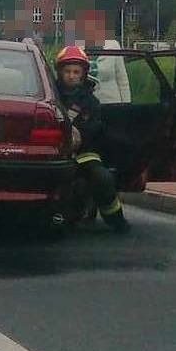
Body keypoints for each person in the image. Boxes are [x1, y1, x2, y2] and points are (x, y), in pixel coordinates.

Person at [55, 45, 129, 233]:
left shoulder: (90, 102)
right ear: (59, 72)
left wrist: (78, 136)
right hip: (56, 154)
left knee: (103, 178)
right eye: (67, 71)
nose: (71, 76)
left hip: (85, 153)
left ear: (83, 74)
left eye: (76, 72)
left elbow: (94, 129)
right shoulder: (51, 97)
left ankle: (116, 219)